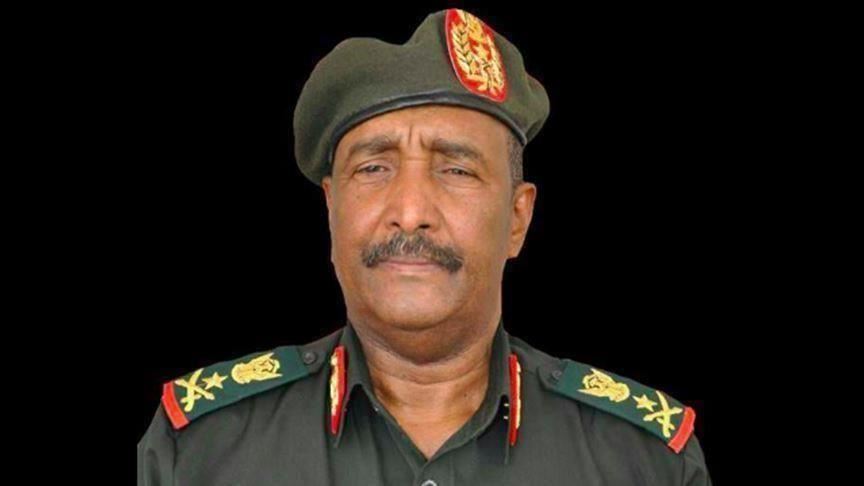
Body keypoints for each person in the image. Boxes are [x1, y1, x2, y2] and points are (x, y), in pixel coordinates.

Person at [137, 8, 711, 485]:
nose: (410, 211)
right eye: (374, 168)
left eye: (456, 170)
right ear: (330, 210)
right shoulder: (199, 452)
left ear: (518, 218)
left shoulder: (644, 462)